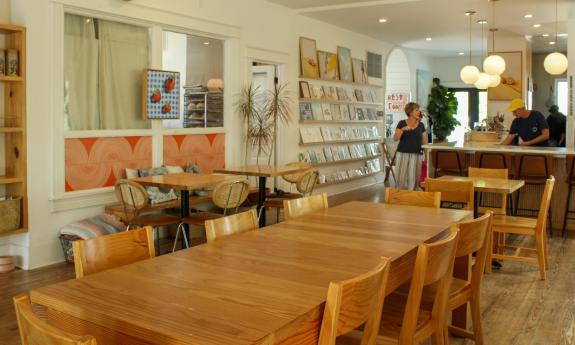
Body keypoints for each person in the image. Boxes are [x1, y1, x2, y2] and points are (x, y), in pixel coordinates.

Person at [393, 102, 428, 190]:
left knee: (414, 179)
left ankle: (412, 197)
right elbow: (395, 138)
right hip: (403, 153)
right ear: (410, 112)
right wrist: (403, 130)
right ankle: (398, 196)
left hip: (417, 154)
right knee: (400, 179)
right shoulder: (402, 123)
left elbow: (425, 142)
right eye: (416, 110)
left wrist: (427, 156)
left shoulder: (421, 125)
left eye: (419, 110)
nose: (419, 112)